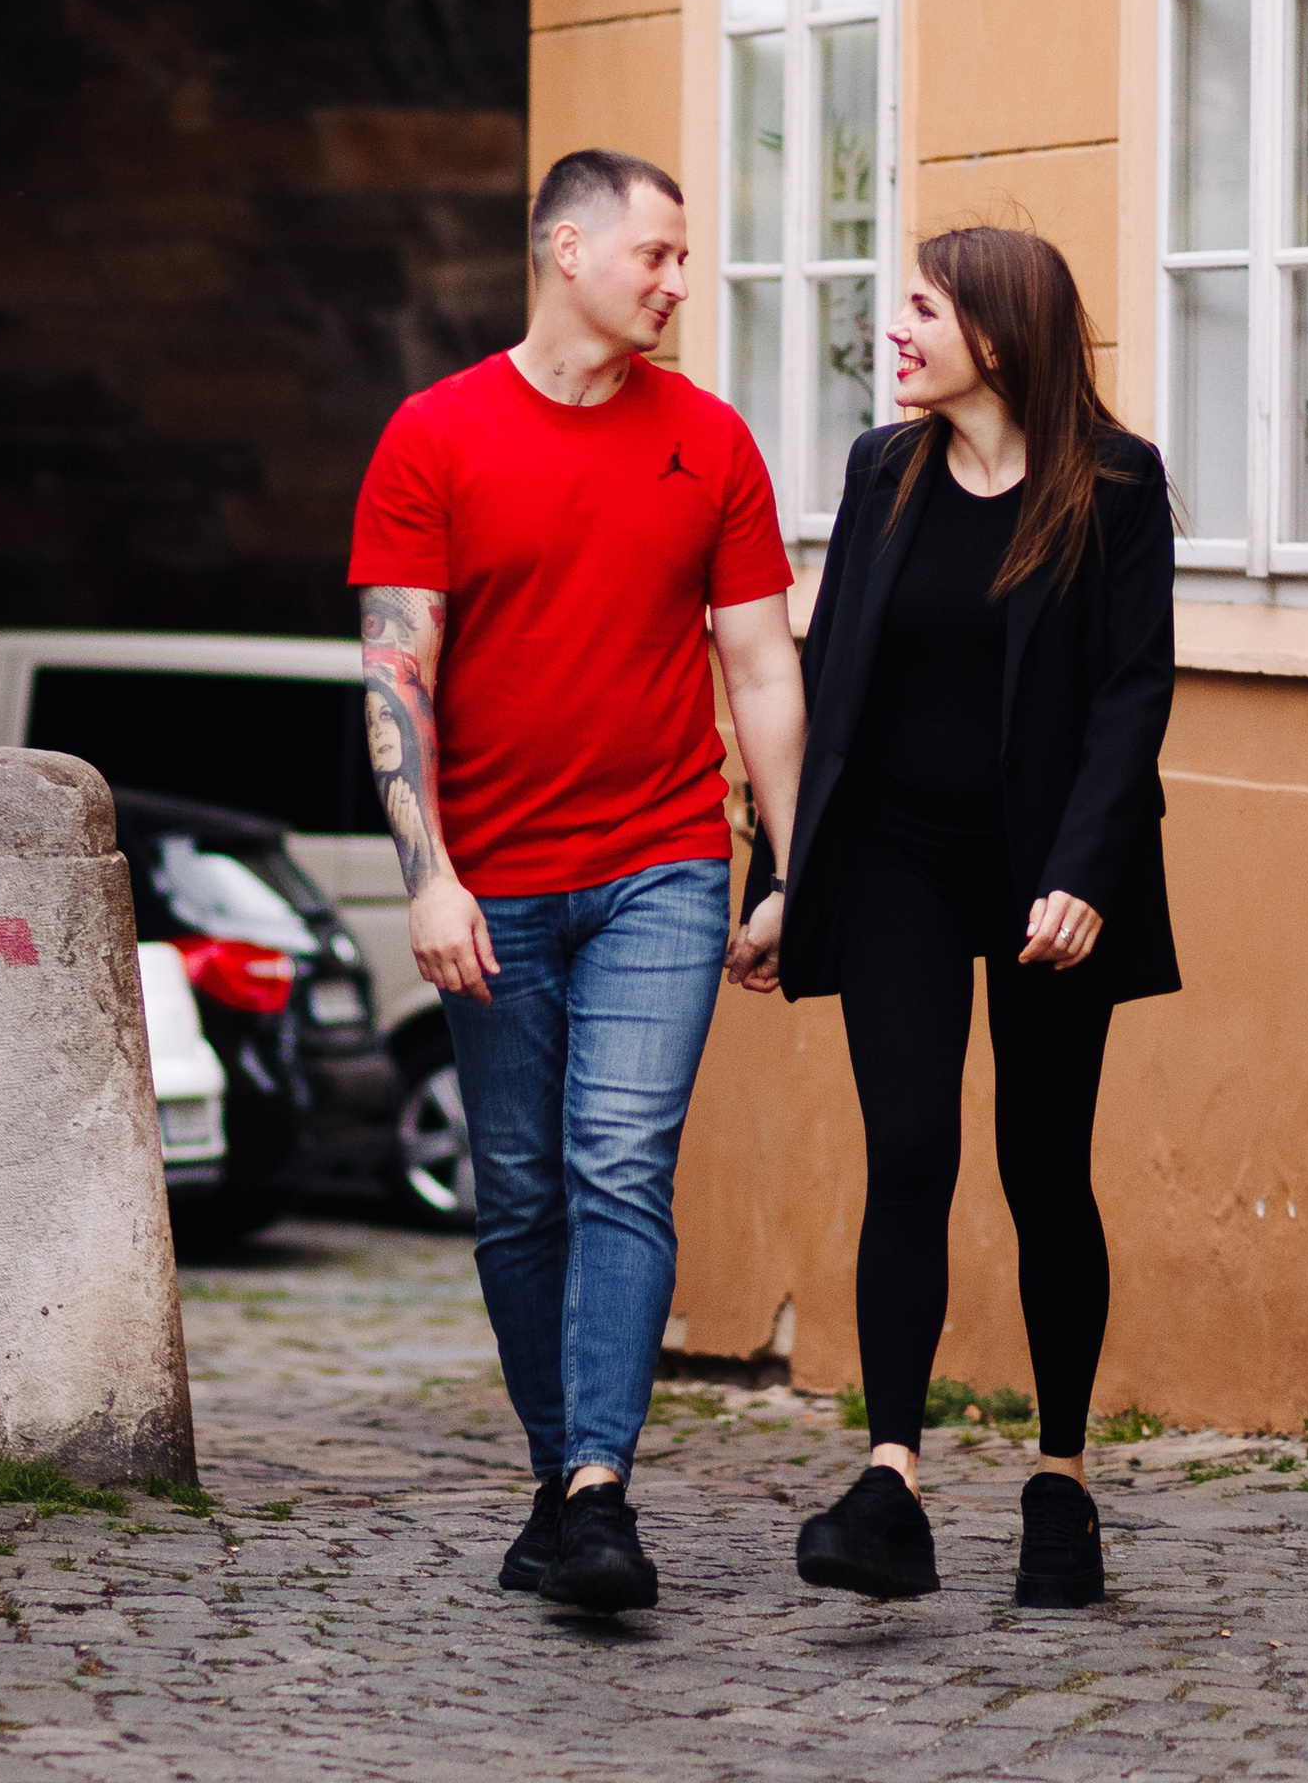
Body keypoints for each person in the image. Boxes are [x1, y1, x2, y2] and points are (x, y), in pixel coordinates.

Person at [352, 147, 805, 1618]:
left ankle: (600, 1490)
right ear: (565, 252)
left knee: (619, 1162)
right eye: (655, 254)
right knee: (521, 1195)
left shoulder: (713, 444)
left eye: (684, 258)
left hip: (662, 863)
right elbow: (397, 674)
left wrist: (791, 865)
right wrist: (429, 879)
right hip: (492, 882)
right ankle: (559, 1481)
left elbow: (761, 668)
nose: (679, 282)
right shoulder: (434, 436)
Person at [732, 222, 1178, 1612]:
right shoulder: (885, 470)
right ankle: (891, 1484)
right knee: (911, 1149)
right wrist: (784, 877)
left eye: (921, 309)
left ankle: (1062, 1480)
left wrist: (1087, 873)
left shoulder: (1117, 483)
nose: (898, 332)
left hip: (1053, 885)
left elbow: (1134, 693)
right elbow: (828, 677)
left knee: (1045, 1168)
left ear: (997, 329)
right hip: (898, 872)